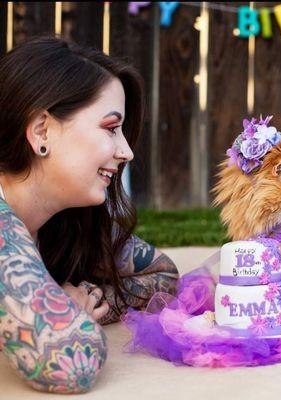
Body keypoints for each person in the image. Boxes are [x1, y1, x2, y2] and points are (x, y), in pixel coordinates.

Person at [0, 37, 179, 393]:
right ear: (41, 131)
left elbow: (164, 276)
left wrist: (83, 301)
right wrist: (60, 314)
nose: (126, 151)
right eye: (112, 128)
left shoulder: (65, 222)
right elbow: (70, 365)